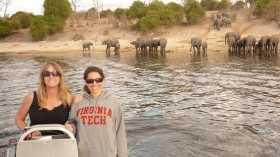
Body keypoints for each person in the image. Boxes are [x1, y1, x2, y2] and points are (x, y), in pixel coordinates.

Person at [66, 66, 128, 157]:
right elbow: (73, 124)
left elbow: (120, 132)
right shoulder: (78, 102)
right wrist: (70, 128)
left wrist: (123, 155)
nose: (94, 83)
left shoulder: (114, 103)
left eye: (98, 80)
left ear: (103, 81)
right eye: (90, 81)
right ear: (86, 83)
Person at [15, 61, 73, 136]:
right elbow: (19, 119)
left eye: (55, 73)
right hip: (36, 142)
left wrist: (72, 127)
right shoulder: (31, 97)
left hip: (60, 142)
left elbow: (78, 119)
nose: (51, 76)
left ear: (60, 77)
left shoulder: (68, 98)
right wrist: (30, 132)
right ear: (43, 77)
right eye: (47, 74)